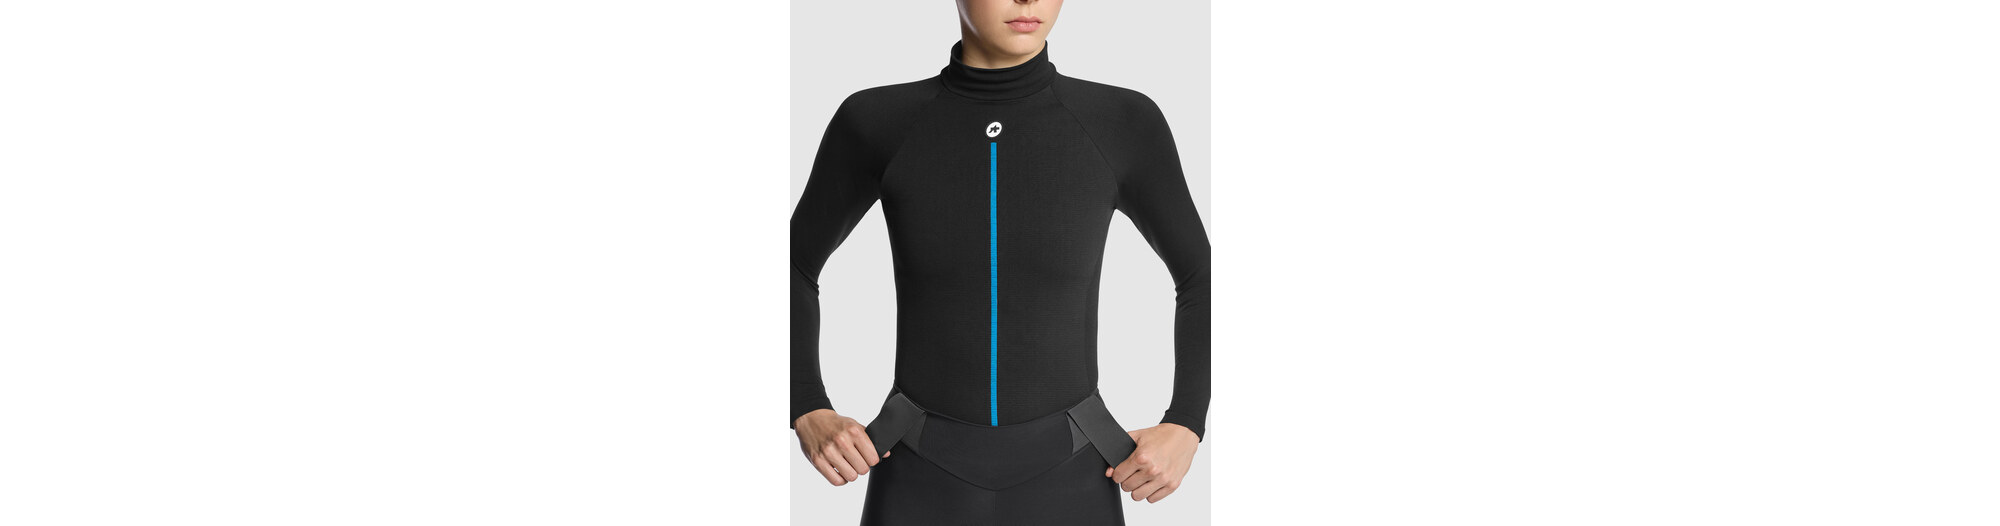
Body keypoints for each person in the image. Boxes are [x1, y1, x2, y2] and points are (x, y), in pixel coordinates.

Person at [790, 0, 1209, 523]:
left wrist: (1186, 423)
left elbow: (1201, 276)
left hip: (1075, 475)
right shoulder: (876, 120)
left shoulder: (1122, 121)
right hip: (916, 473)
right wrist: (805, 405)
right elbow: (792, 266)